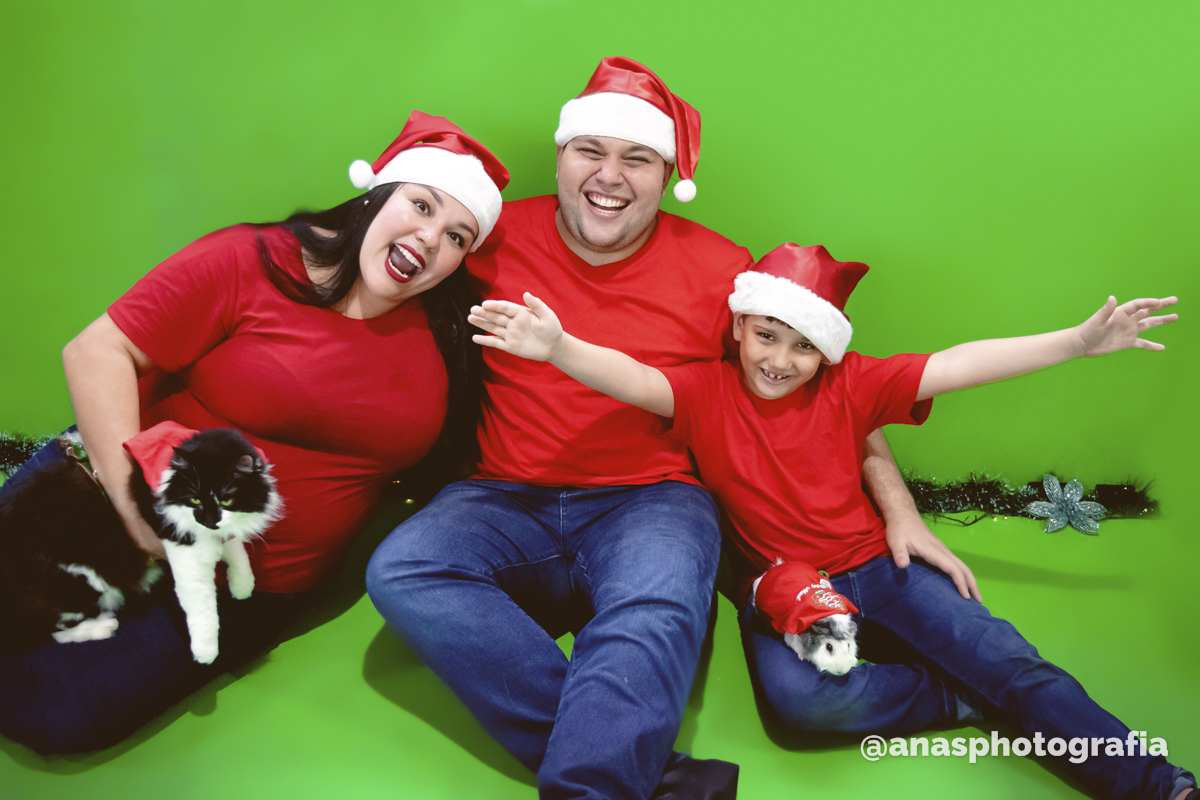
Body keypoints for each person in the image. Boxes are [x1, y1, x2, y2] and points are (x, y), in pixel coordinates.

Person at [365, 58, 971, 800]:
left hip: (650, 500)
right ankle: (647, 771)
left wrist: (901, 510)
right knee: (401, 568)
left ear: (668, 174)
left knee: (653, 610)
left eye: (637, 158)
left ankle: (597, 783)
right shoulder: (484, 239)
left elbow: (835, 396)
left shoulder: (722, 271)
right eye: (590, 151)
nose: (609, 176)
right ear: (560, 157)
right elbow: (372, 282)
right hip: (500, 498)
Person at [466, 241, 1195, 800]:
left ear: (828, 348)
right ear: (741, 324)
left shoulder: (857, 384)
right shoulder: (704, 390)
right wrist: (557, 347)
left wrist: (1074, 342)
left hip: (882, 570)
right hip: (787, 591)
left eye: (804, 345)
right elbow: (634, 378)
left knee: (1009, 660)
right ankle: (956, 696)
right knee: (803, 702)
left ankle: (1156, 782)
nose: (780, 360)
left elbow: (959, 363)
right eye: (767, 336)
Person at [0, 111, 509, 755]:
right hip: (105, 505)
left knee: (60, 716)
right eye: (420, 205)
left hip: (248, 586)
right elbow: (96, 351)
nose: (430, 237)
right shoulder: (255, 260)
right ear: (376, 195)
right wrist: (136, 518)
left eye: (458, 235)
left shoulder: (451, 342)